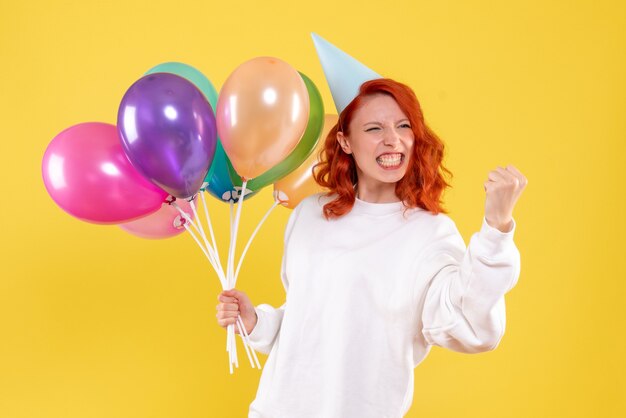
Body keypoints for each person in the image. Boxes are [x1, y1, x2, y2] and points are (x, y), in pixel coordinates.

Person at [217, 35, 527, 418]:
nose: (393, 140)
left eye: (403, 126)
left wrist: (496, 229)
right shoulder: (311, 214)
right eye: (374, 129)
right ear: (345, 142)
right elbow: (308, 319)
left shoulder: (428, 233)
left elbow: (470, 325)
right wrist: (256, 321)